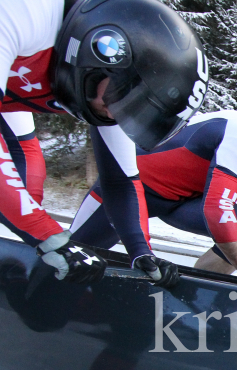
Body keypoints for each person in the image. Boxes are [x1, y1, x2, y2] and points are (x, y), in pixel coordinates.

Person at [1, 0, 210, 286]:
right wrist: (46, 236)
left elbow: (121, 182)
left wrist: (140, 252)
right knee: (24, 178)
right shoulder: (23, 12)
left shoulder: (102, 90)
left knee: (25, 180)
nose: (116, 114)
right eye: (125, 100)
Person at [70, 106, 237, 287]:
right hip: (129, 188)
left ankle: (189, 292)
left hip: (183, 200)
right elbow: (217, 208)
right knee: (74, 253)